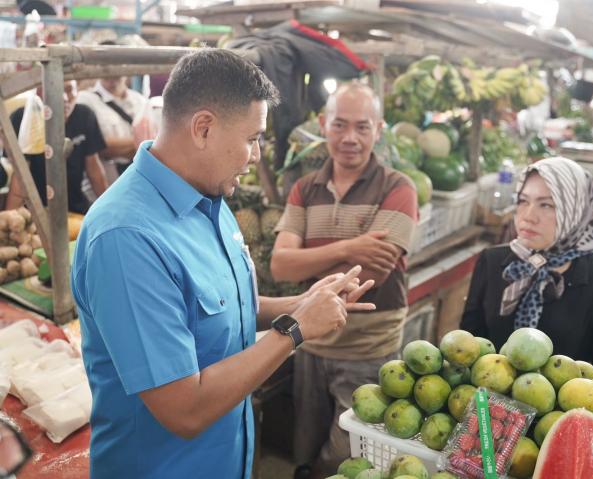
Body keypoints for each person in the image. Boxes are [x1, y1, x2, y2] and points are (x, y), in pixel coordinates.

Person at [71, 49, 375, 479]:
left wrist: (302, 301)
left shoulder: (208, 198)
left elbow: (218, 306)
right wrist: (296, 329)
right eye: (252, 138)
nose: (256, 156)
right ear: (203, 129)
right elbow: (185, 409)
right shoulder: (127, 239)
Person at [270, 82, 418, 478]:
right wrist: (347, 247)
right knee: (304, 439)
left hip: (367, 347)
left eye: (362, 127)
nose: (350, 138)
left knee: (348, 452)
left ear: (379, 129)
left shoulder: (399, 188)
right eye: (339, 125)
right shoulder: (305, 188)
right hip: (311, 339)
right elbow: (280, 266)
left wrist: (308, 261)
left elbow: (367, 278)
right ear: (323, 124)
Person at [460, 157, 593, 425]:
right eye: (523, 201)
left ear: (574, 210)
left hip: (561, 422)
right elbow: (469, 346)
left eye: (546, 205)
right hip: (488, 419)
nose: (528, 215)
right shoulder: (494, 263)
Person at [7, 80, 107, 213]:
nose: (64, 98)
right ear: (40, 93)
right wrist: (7, 220)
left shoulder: (85, 115)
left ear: (77, 91)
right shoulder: (24, 118)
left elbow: (94, 170)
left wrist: (111, 208)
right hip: (36, 211)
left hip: (75, 208)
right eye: (56, 90)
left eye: (69, 90)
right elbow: (19, 177)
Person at [77, 48, 148, 183]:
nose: (111, 72)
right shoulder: (85, 100)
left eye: (116, 65)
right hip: (106, 184)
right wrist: (144, 145)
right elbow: (101, 147)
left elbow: (156, 143)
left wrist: (123, 147)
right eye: (105, 66)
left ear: (126, 67)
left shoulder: (140, 101)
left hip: (140, 178)